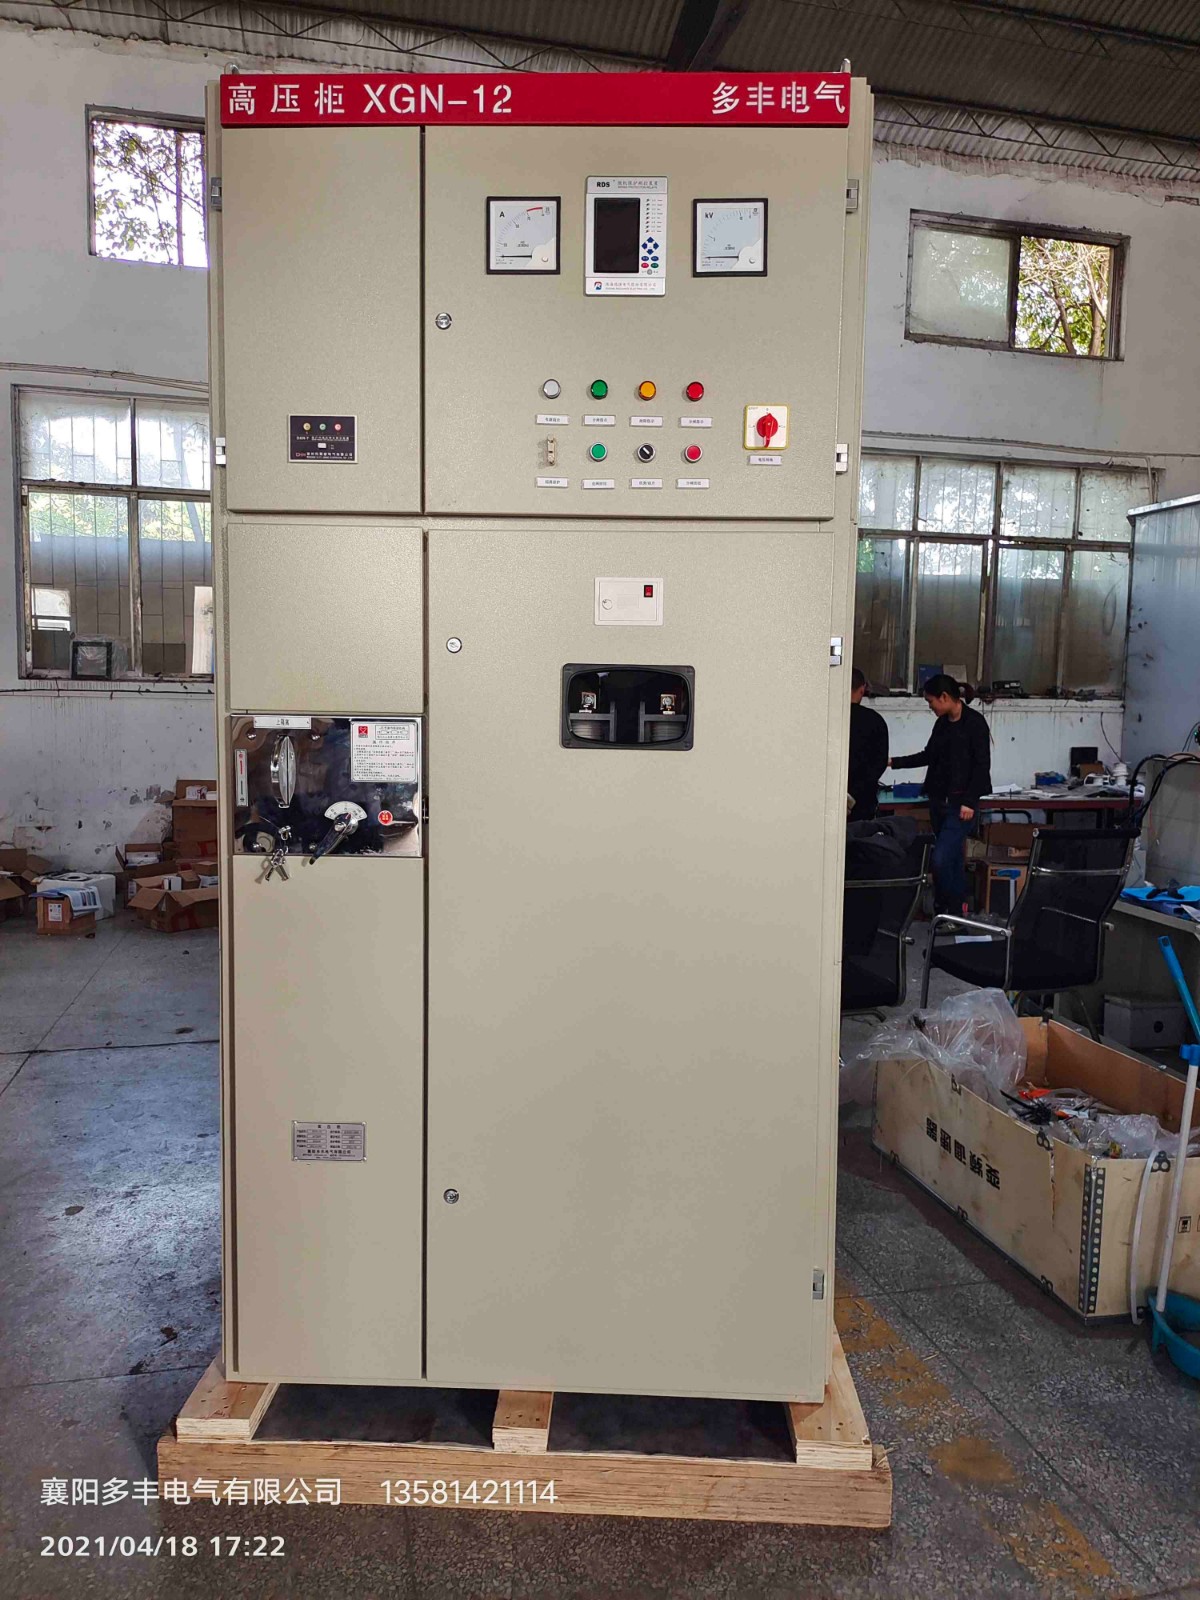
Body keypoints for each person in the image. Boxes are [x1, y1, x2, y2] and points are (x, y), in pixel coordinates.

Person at [890, 675, 991, 914]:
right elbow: (929, 755)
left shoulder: (975, 723)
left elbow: (981, 766)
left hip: (961, 806)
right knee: (952, 859)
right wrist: (894, 762)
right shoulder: (942, 724)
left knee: (941, 859)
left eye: (931, 701)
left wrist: (969, 801)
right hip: (938, 802)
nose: (930, 706)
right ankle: (953, 914)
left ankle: (949, 910)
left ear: (944, 697)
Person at [847, 668, 889, 821]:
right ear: (862, 689)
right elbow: (880, 762)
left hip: (826, 795)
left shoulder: (827, 717)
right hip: (863, 800)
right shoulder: (875, 720)